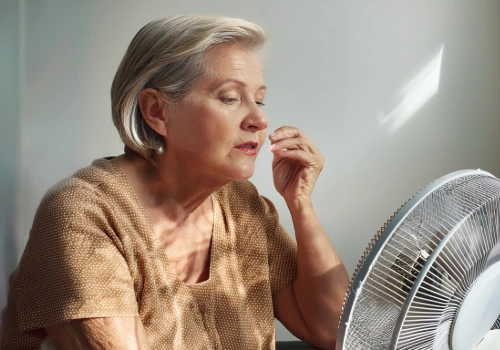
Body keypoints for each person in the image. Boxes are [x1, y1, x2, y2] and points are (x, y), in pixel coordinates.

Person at [0, 15, 349, 350]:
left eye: (259, 99)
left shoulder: (243, 205)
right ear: (157, 111)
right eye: (230, 97)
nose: (259, 118)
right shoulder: (82, 213)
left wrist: (300, 204)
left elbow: (337, 333)